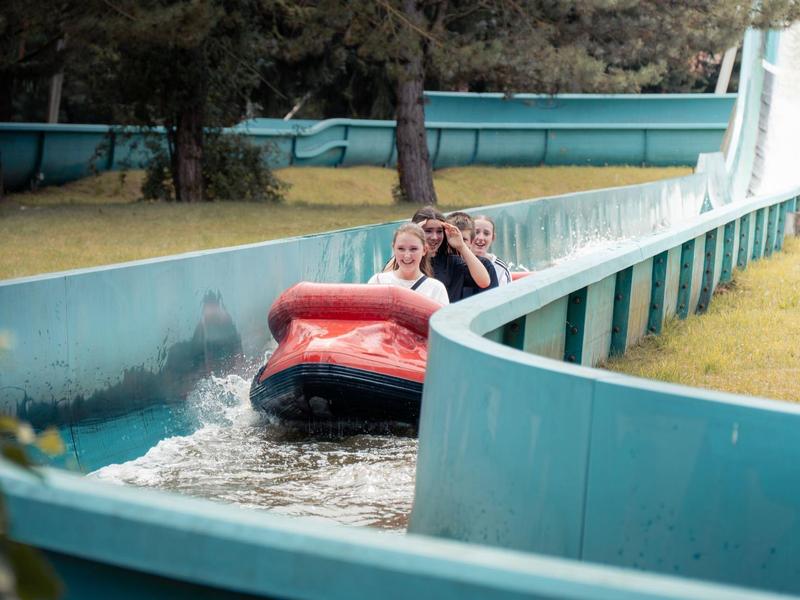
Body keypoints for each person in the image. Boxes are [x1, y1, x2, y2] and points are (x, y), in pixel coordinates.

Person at [410, 207, 494, 303]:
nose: (434, 237)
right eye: (428, 231)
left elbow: (484, 281)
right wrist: (411, 237)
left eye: (439, 231)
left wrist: (461, 246)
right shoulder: (406, 261)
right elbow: (389, 279)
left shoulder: (452, 262)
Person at [369, 223, 449, 305]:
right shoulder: (378, 281)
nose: (407, 256)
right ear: (393, 248)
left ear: (424, 250)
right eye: (401, 249)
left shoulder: (436, 289)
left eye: (413, 249)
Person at [445, 211, 499, 299]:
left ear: (471, 241)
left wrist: (462, 247)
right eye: (452, 238)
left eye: (463, 239)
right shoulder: (441, 263)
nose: (457, 242)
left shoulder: (486, 265)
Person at [471, 214, 512, 286]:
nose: (481, 237)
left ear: (493, 237)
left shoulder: (501, 268)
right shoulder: (457, 262)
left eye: (486, 233)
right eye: (476, 232)